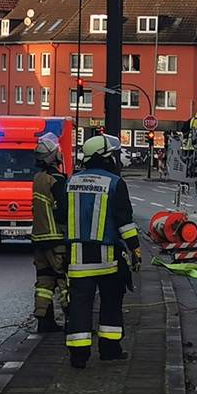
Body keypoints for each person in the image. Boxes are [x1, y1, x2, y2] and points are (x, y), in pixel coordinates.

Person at [64, 133, 140, 369]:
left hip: (77, 257)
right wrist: (135, 248)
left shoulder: (71, 182)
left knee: (79, 305)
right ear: (105, 157)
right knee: (110, 303)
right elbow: (124, 221)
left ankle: (78, 356)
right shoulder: (115, 183)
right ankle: (109, 350)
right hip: (108, 258)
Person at [31, 131, 68, 333]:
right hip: (56, 239)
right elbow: (63, 211)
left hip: (38, 238)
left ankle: (44, 320)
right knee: (64, 279)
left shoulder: (38, 178)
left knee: (44, 280)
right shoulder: (57, 180)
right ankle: (73, 320)